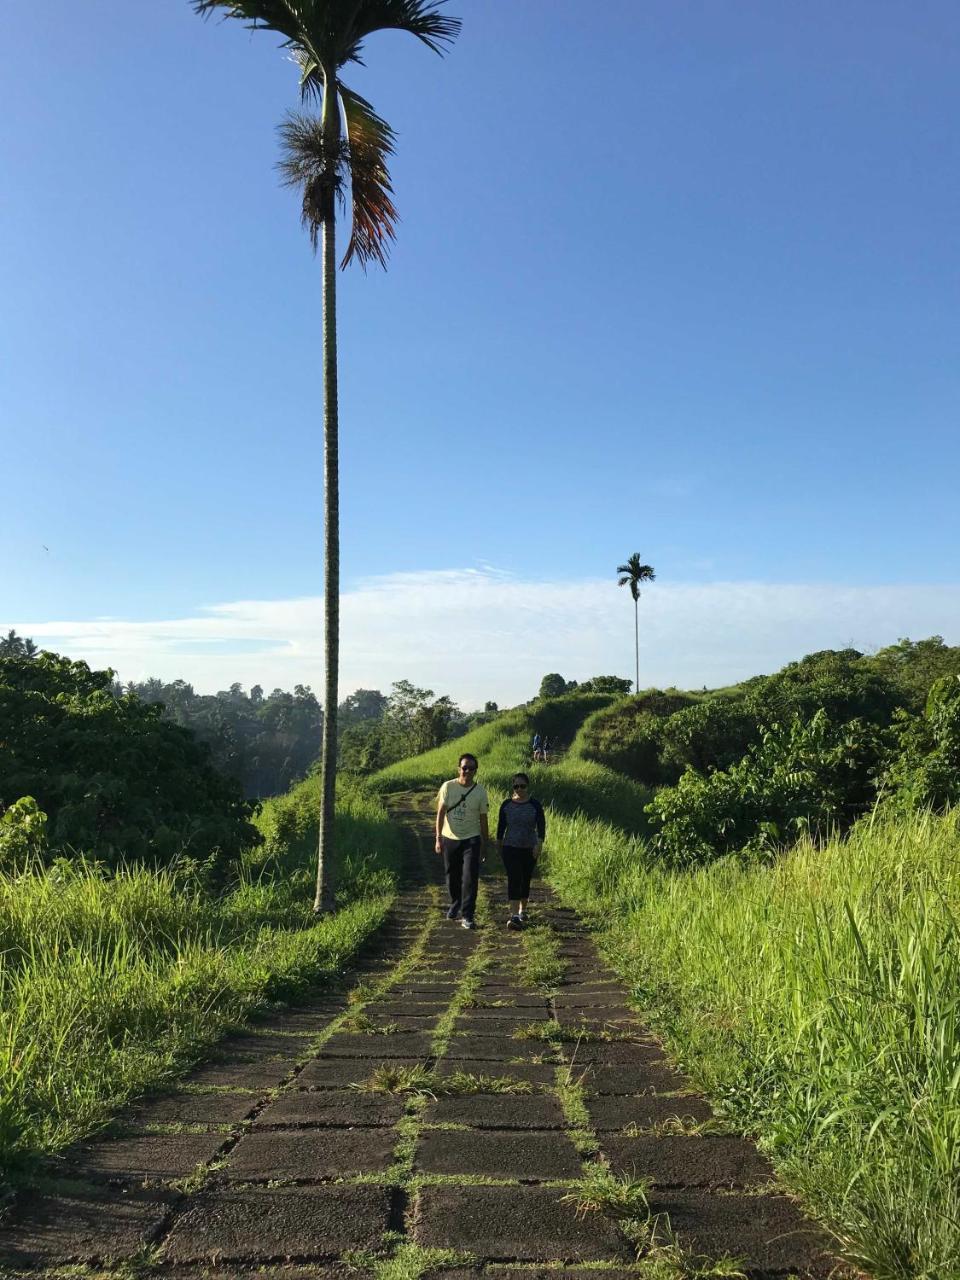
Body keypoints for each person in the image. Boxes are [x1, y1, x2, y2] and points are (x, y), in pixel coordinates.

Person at [435, 753, 489, 930]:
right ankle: (455, 902)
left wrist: (484, 843)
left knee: (470, 878)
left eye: (471, 768)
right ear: (459, 768)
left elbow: (483, 819)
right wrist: (438, 838)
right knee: (452, 875)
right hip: (450, 838)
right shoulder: (448, 787)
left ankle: (467, 915)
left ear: (475, 771)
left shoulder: (480, 792)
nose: (467, 771)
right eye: (464, 767)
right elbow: (441, 813)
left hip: (471, 839)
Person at [496, 772, 545, 930]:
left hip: (529, 847)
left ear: (527, 786)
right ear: (512, 787)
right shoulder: (506, 805)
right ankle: (514, 915)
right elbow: (501, 828)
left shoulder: (535, 805)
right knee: (514, 878)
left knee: (525, 879)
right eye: (516, 786)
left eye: (522, 786)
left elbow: (541, 827)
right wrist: (499, 845)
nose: (519, 789)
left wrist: (539, 844)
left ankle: (523, 910)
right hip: (510, 847)